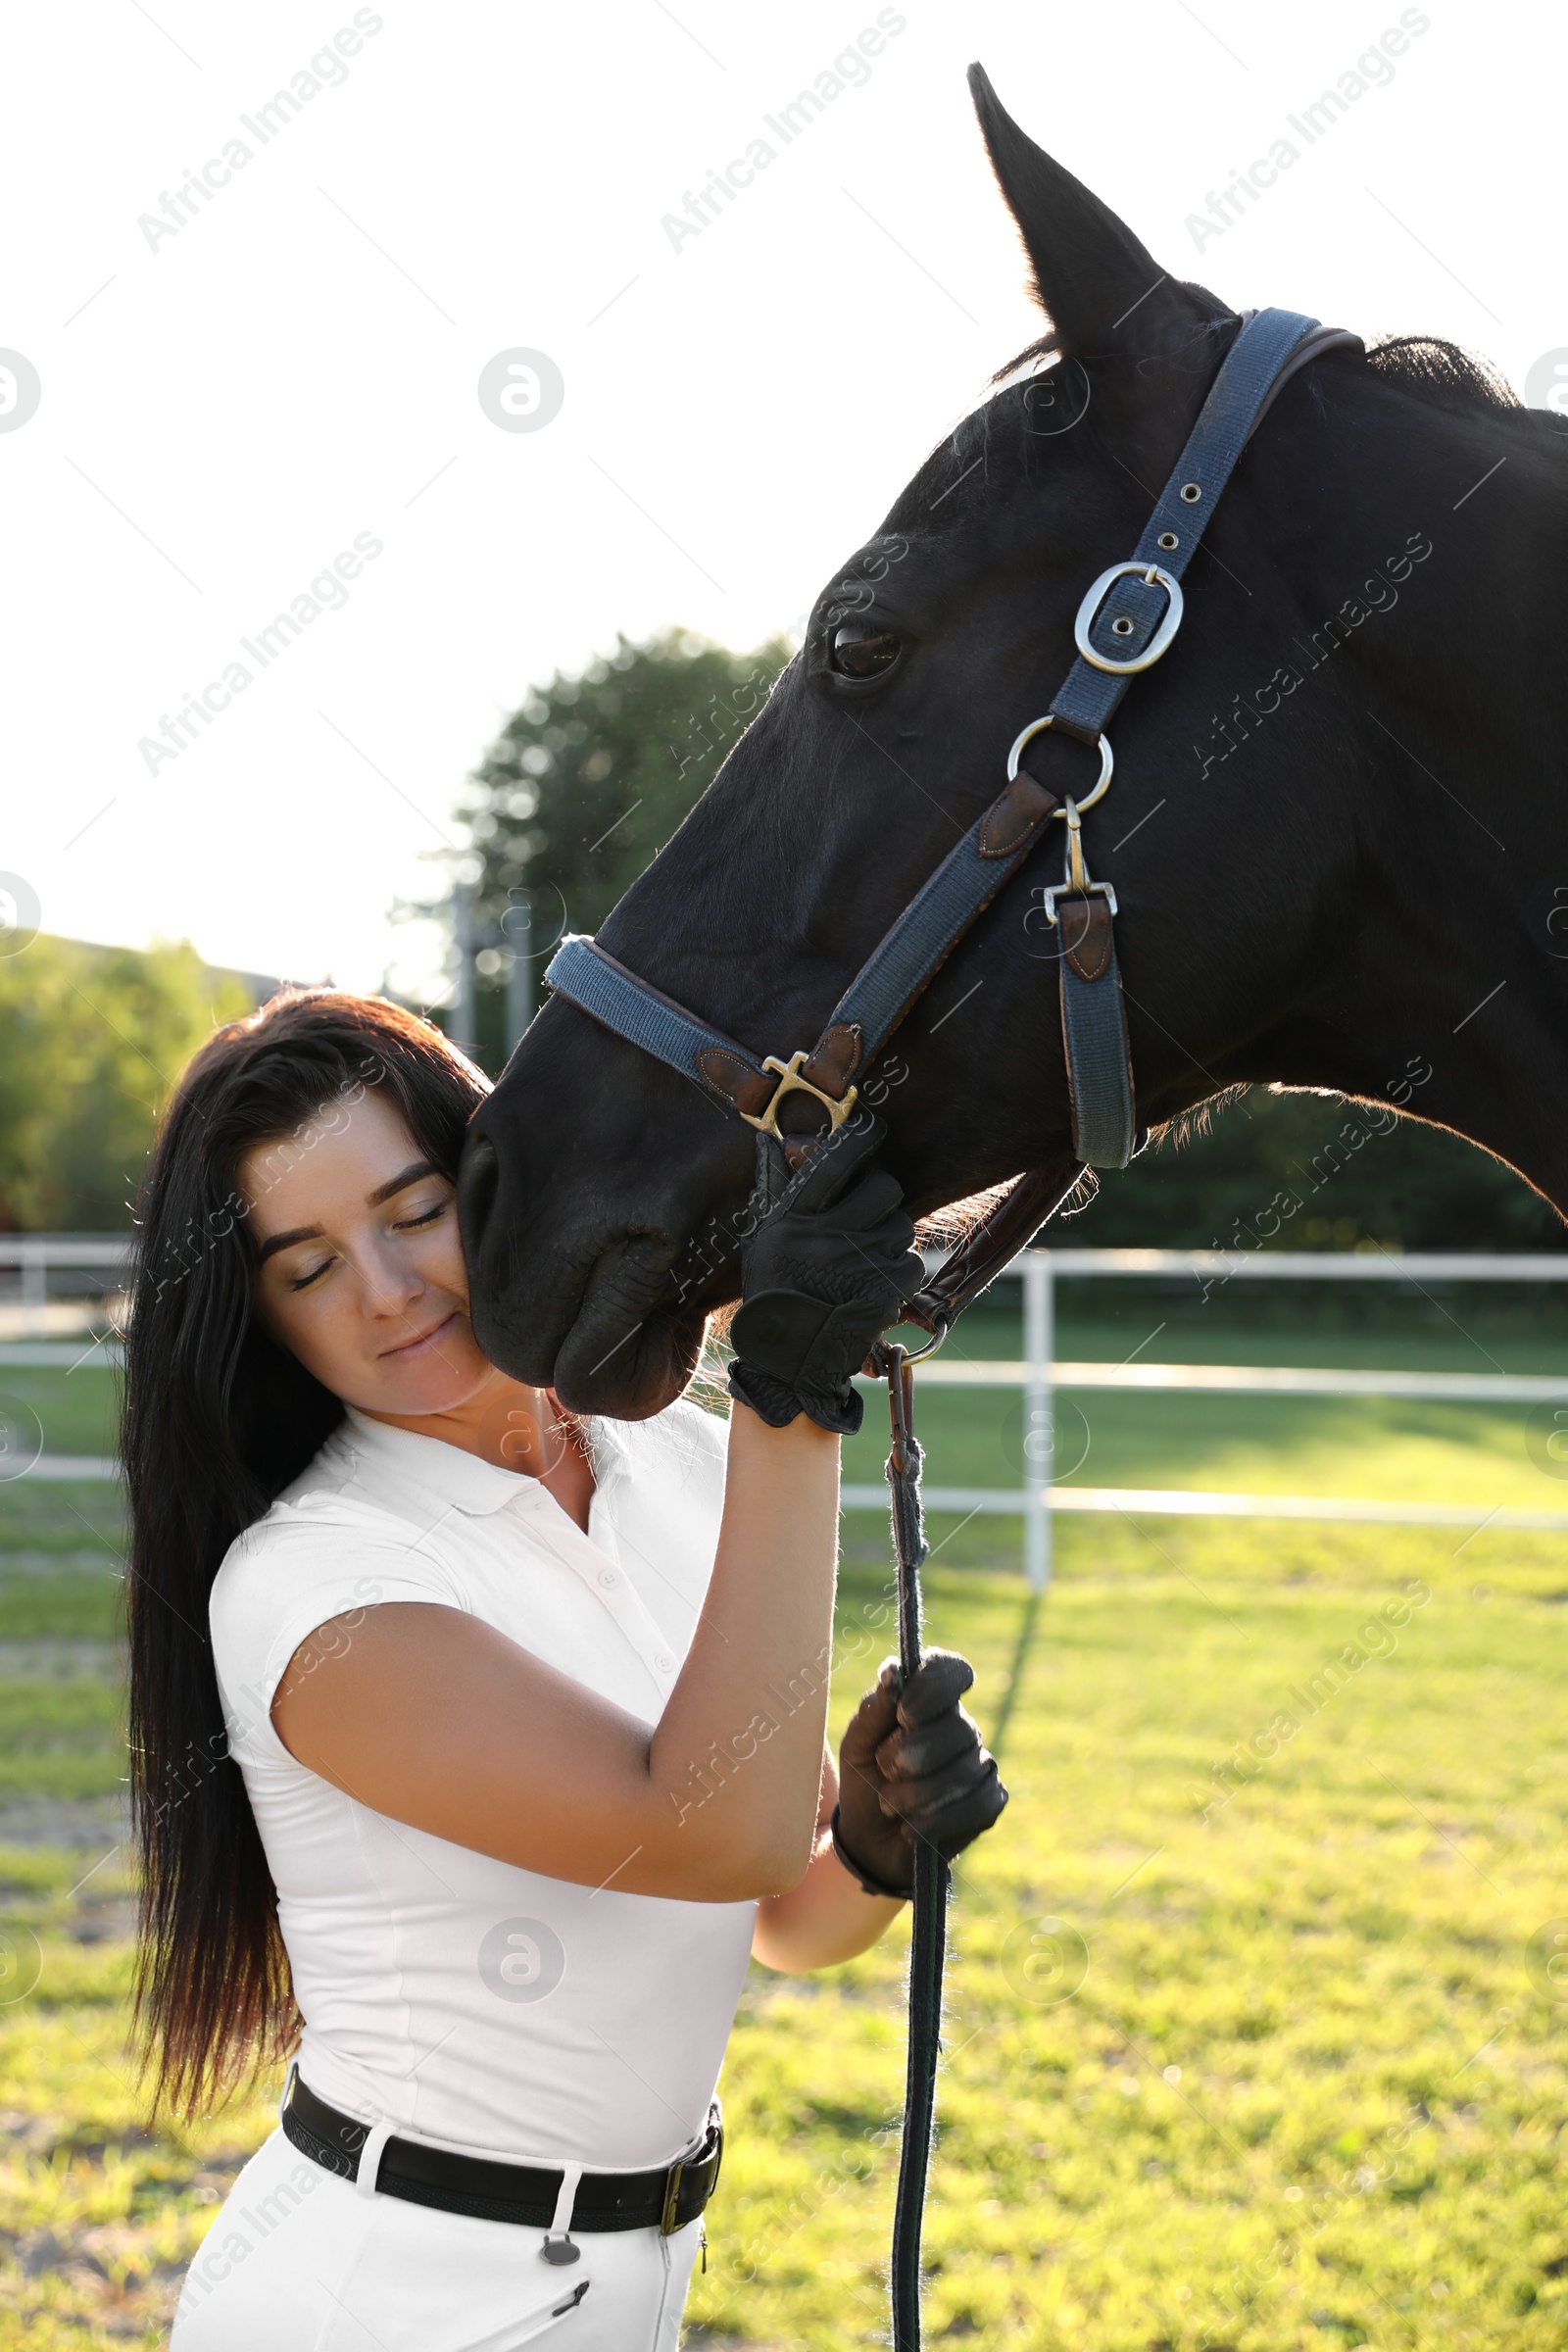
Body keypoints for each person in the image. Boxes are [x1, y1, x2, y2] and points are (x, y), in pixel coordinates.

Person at [122, 989, 1007, 2350]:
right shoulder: (310, 1588)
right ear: (266, 1322)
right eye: (307, 1267)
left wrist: (879, 1846)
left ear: (500, 1174)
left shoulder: (691, 1466)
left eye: (414, 1210)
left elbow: (778, 1904)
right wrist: (794, 1394)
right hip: (387, 2300)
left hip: (627, 2283)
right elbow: (721, 1825)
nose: (388, 1289)